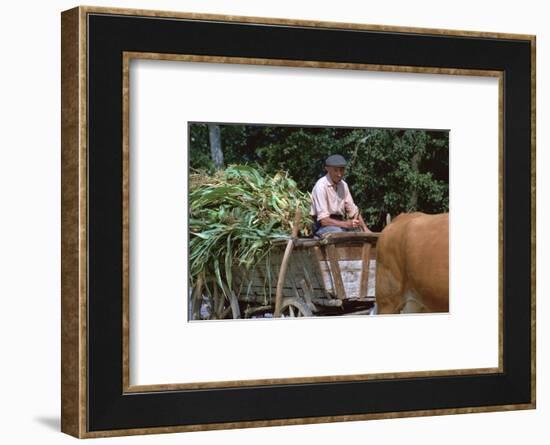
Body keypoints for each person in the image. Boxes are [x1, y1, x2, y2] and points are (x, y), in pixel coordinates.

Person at [310, 154, 371, 238]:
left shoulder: (343, 185)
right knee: (339, 233)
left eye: (342, 170)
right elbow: (323, 221)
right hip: (322, 227)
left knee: (359, 232)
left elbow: (353, 210)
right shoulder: (321, 186)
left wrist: (365, 229)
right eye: (336, 170)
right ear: (327, 169)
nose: (339, 174)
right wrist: (346, 224)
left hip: (340, 224)